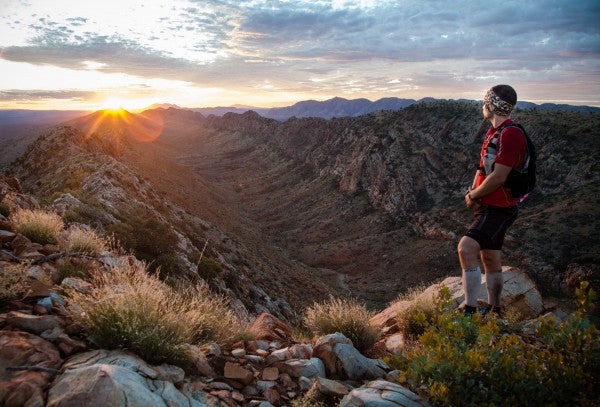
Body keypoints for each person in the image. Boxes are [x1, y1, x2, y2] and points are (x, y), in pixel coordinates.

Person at [457, 84, 527, 316]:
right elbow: (483, 168)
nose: (481, 106)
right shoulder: (494, 132)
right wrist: (472, 192)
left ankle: (469, 310)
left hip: (499, 207)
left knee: (466, 249)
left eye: (484, 102)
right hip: (488, 205)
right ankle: (495, 309)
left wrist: (475, 195)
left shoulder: (511, 134)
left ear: (491, 105)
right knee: (490, 258)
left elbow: (499, 176)